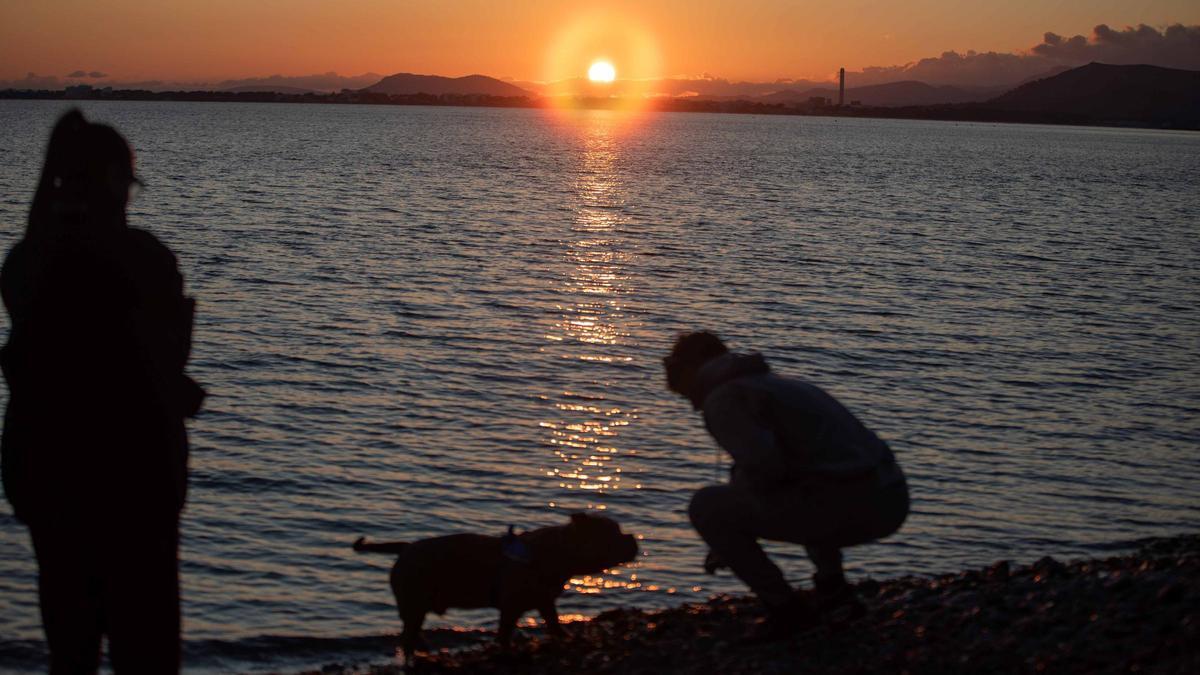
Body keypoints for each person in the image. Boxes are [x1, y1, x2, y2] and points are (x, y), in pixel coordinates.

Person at [1, 110, 204, 673]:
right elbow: (166, 358)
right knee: (148, 652)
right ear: (115, 181)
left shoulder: (26, 264)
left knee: (71, 651)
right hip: (135, 488)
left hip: (50, 485)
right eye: (129, 182)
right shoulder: (145, 259)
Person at [664, 331, 908, 640]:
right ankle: (833, 590)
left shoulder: (725, 399)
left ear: (693, 366)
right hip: (890, 496)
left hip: (855, 506)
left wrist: (725, 539)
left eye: (673, 362)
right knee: (812, 478)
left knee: (707, 507)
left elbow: (767, 469)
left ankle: (786, 611)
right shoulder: (777, 386)